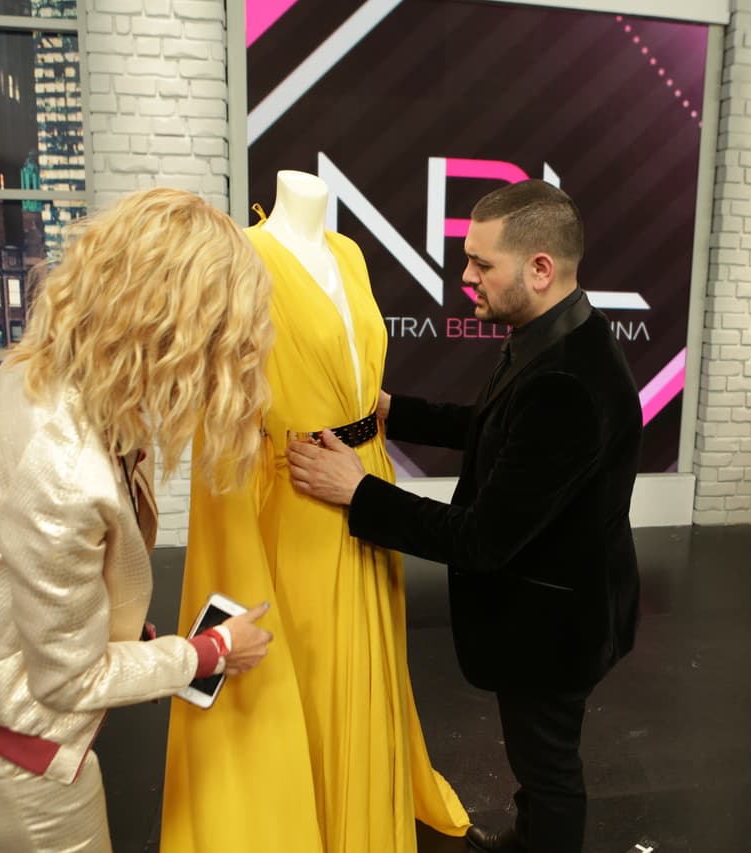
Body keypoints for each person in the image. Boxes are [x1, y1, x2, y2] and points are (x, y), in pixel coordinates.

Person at [0, 188, 276, 852]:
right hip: (11, 749)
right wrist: (209, 652)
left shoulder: (43, 372)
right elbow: (68, 680)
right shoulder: (66, 468)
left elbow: (36, 569)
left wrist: (110, 623)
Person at [289, 179, 643, 853]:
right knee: (539, 760)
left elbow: (480, 539)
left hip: (554, 626)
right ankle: (531, 833)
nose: (466, 276)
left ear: (540, 268)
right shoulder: (556, 336)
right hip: (562, 603)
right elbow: (496, 428)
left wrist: (357, 491)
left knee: (549, 766)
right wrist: (399, 410)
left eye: (482, 263)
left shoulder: (567, 382)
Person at [160, 171, 470, 853]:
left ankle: (365, 815)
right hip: (298, 497)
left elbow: (359, 376)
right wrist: (234, 540)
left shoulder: (350, 253)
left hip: (366, 480)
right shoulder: (241, 260)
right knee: (312, 675)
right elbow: (225, 418)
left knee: (370, 668)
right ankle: (318, 826)